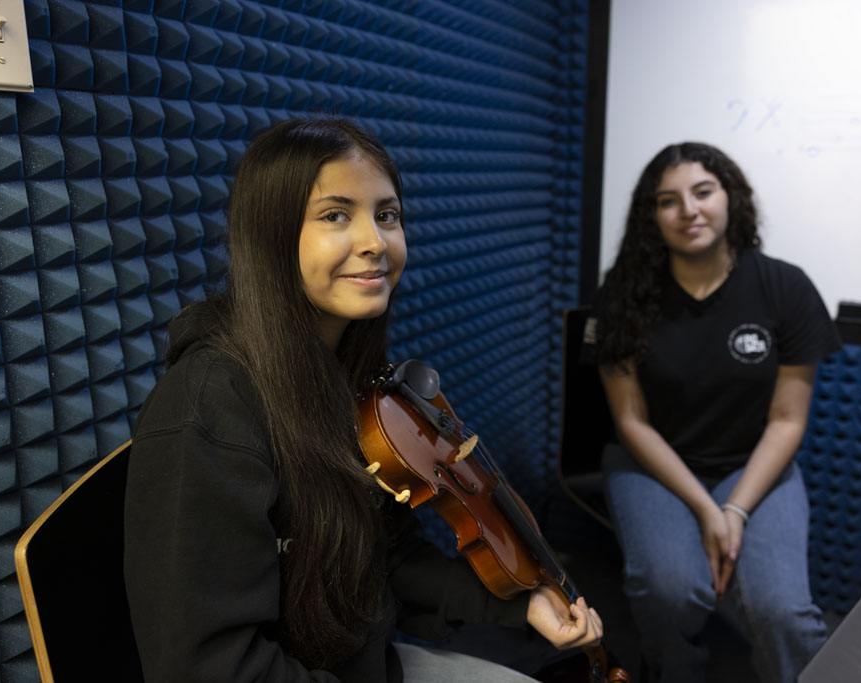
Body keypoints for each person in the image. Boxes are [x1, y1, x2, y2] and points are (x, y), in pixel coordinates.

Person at [122, 118, 602, 683]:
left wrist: (517, 603)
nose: (376, 241)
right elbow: (208, 668)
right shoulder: (210, 406)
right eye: (335, 215)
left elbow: (381, 559)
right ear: (271, 234)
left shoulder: (346, 377)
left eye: (387, 214)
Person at [590, 142, 840, 682]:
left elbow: (787, 420)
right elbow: (631, 422)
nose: (689, 210)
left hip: (751, 467)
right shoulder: (623, 295)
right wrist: (706, 509)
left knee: (783, 614)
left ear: (731, 198)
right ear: (651, 215)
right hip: (651, 465)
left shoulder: (785, 287)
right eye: (668, 200)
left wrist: (735, 510)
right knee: (669, 591)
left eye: (703, 192)